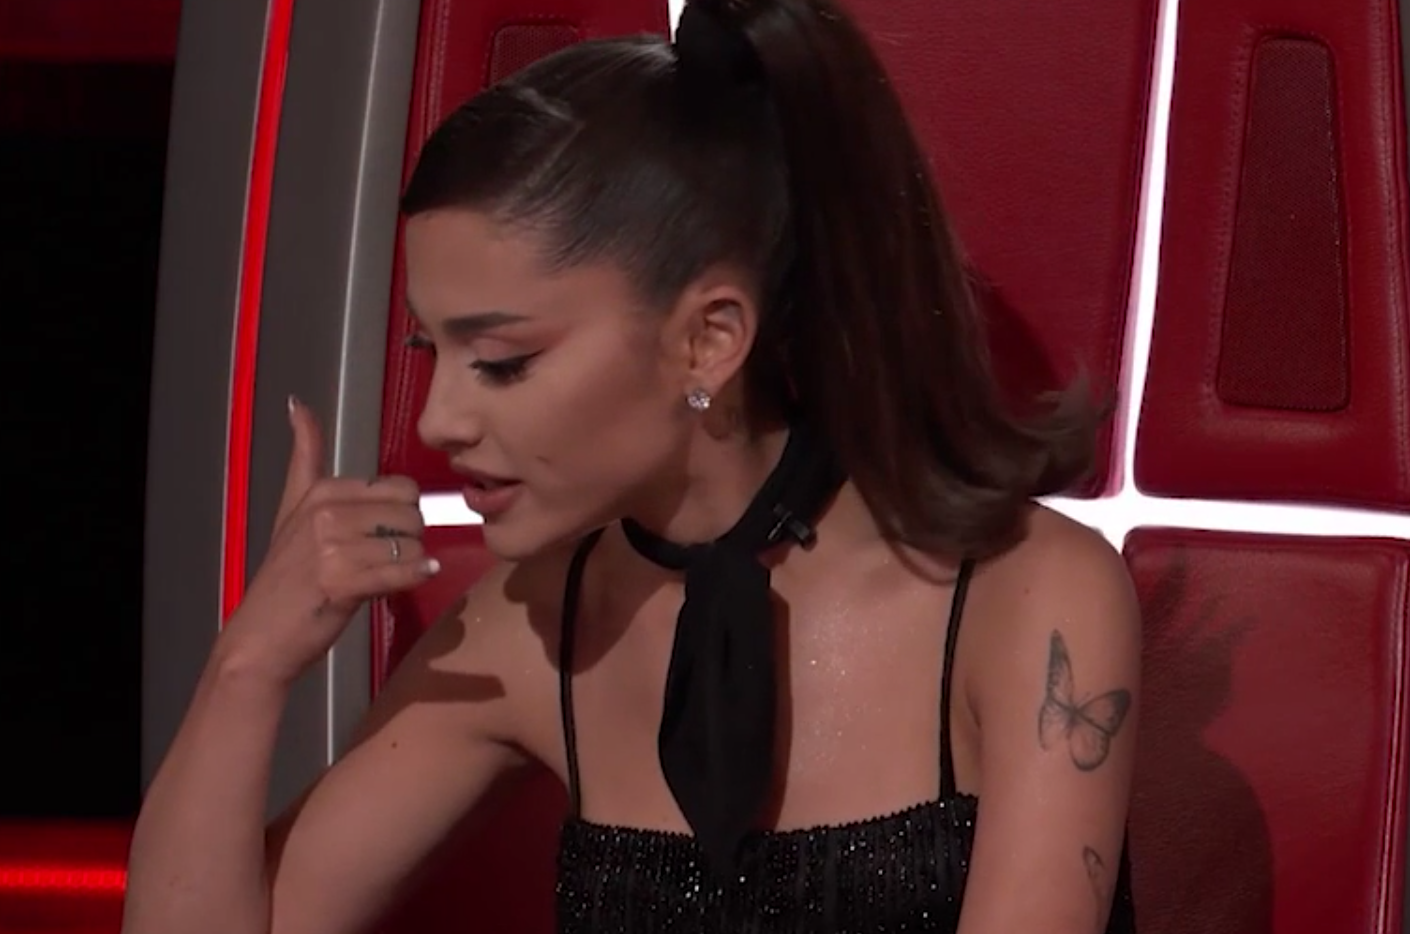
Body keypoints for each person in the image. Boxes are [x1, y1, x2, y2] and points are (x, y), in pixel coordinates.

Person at [121, 0, 1142, 931]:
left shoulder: (1027, 598)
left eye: (503, 361)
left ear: (708, 341)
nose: (438, 421)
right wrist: (249, 662)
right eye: (432, 352)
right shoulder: (529, 625)